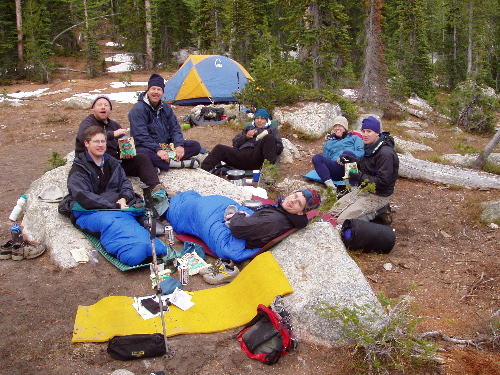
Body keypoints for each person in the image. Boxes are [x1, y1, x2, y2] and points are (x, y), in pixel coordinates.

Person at [59, 126, 167, 266]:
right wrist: (114, 205)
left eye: (103, 141)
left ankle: (148, 244)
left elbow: (125, 183)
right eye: (96, 141)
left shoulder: (111, 162)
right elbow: (84, 196)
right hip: (90, 210)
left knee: (131, 220)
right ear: (86, 143)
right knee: (112, 223)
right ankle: (131, 251)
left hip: (118, 205)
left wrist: (124, 198)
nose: (100, 145)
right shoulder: (79, 169)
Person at [166, 189, 321, 263]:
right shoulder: (285, 214)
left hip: (230, 241)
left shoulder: (274, 220)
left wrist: (238, 216)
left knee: (197, 208)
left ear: (302, 212)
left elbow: (238, 229)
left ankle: (172, 207)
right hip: (248, 228)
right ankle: (183, 201)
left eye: (298, 202)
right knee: (218, 201)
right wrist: (247, 216)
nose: (292, 200)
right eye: (295, 195)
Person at [75, 95, 165, 194]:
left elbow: (121, 146)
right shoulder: (87, 123)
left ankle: (157, 189)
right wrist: (112, 134)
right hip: (93, 163)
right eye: (99, 105)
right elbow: (84, 136)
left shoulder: (114, 125)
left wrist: (126, 152)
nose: (103, 107)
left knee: (142, 158)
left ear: (110, 109)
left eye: (106, 105)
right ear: (93, 108)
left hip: (113, 161)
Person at [331, 116, 399, 225]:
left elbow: (383, 182)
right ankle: (370, 210)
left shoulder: (386, 153)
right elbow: (368, 165)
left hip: (378, 195)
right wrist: (354, 161)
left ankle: (377, 212)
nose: (365, 134)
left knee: (342, 221)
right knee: (333, 211)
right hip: (364, 190)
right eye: (363, 131)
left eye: (369, 131)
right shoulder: (371, 147)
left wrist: (358, 176)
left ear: (377, 133)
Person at [128, 73, 201, 171]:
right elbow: (140, 136)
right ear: (148, 90)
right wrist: (157, 150)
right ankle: (176, 164)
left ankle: (160, 163)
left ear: (162, 92)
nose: (156, 92)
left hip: (166, 145)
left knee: (195, 146)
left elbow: (174, 127)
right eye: (153, 89)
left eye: (159, 90)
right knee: (141, 154)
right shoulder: (138, 110)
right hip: (147, 147)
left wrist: (179, 145)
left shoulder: (165, 107)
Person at [201, 109, 283, 173]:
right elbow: (235, 144)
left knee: (269, 138)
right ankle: (202, 171)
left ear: (266, 120)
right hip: (241, 157)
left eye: (262, 118)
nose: (259, 120)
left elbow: (279, 148)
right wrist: (246, 137)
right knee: (219, 148)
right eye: (257, 118)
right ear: (254, 120)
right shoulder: (248, 129)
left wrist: (267, 143)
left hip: (257, 157)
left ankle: (268, 172)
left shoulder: (272, 130)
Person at [311, 116, 364, 187]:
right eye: (335, 126)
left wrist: (345, 157)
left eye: (340, 126)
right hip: (336, 169)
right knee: (317, 157)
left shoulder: (355, 138)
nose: (337, 128)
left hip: (351, 167)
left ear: (345, 128)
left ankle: (353, 187)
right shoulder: (329, 143)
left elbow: (361, 152)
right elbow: (326, 159)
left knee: (347, 153)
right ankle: (331, 187)